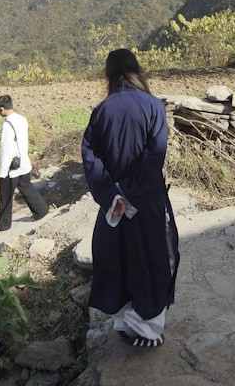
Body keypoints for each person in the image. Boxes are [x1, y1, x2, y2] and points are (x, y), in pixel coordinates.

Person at [81, 48, 180, 348]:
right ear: (137, 70)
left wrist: (112, 194)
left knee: (119, 258)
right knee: (153, 257)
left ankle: (125, 323)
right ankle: (148, 330)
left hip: (115, 206)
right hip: (147, 200)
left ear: (108, 75)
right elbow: (155, 157)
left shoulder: (102, 111)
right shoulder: (153, 107)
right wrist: (131, 191)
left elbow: (90, 155)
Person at [0, 94, 50, 230]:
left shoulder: (7, 125)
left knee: (5, 197)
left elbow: (6, 149)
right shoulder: (22, 119)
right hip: (24, 163)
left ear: (1, 109)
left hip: (11, 167)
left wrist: (2, 172)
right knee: (27, 187)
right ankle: (41, 211)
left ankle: (3, 225)